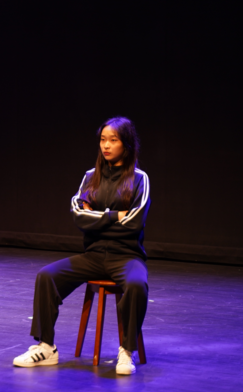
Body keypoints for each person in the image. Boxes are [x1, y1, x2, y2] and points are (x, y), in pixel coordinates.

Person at [13, 117, 151, 375]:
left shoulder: (139, 179)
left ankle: (126, 350)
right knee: (46, 276)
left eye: (113, 140)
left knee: (136, 285)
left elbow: (134, 223)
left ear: (126, 144)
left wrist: (97, 217)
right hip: (94, 256)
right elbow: (79, 216)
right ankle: (46, 347)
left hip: (127, 256)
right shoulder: (90, 177)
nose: (106, 146)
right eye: (103, 140)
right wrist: (115, 216)